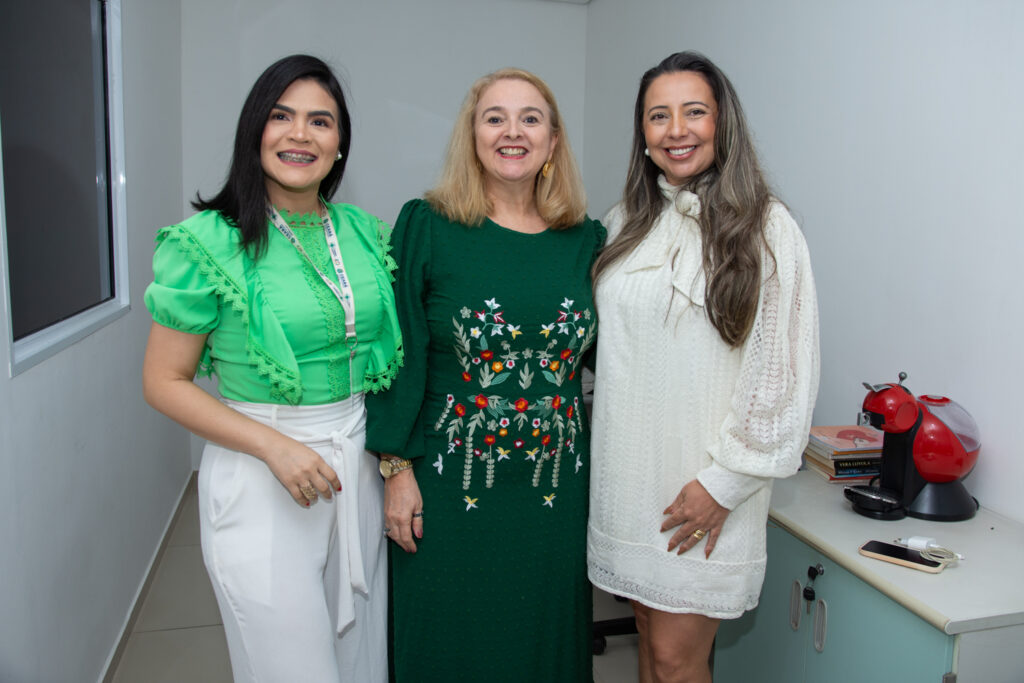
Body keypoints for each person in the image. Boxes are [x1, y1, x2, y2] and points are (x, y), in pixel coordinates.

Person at [142, 54, 401, 683]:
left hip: (356, 466)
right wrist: (274, 447)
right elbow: (162, 381)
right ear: (254, 130)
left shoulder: (364, 233)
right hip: (262, 471)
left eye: (321, 121)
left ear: (340, 146)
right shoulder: (208, 240)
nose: (300, 134)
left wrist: (392, 464)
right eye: (282, 116)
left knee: (360, 659)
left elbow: (385, 363)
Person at [587, 51, 820, 683]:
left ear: (724, 123)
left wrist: (724, 484)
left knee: (675, 661)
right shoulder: (626, 223)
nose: (676, 130)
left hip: (705, 488)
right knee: (647, 643)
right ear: (642, 135)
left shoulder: (766, 228)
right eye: (658, 116)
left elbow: (781, 372)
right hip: (627, 485)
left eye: (695, 112)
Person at [365, 68, 604, 682]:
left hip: (554, 493)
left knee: (540, 641)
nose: (511, 132)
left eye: (531, 118)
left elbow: (621, 356)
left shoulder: (588, 241)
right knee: (449, 640)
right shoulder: (427, 225)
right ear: (471, 137)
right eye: (493, 117)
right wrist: (396, 469)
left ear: (553, 141)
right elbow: (400, 353)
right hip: (449, 487)